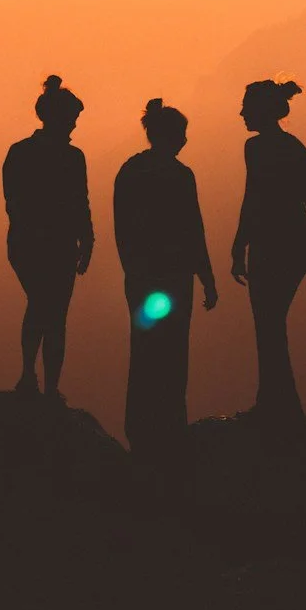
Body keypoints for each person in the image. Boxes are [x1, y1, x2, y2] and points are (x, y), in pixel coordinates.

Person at [113, 98, 217, 458]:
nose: (186, 140)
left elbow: (122, 230)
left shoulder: (130, 171)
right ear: (170, 135)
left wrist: (132, 271)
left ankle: (141, 426)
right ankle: (171, 423)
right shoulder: (180, 175)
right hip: (174, 278)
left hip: (143, 278)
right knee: (174, 351)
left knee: (144, 350)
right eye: (183, 133)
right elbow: (194, 229)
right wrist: (207, 276)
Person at [231, 78, 306, 427]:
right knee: (269, 323)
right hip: (281, 242)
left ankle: (278, 405)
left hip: (281, 244)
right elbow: (260, 198)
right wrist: (239, 244)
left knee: (269, 321)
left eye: (246, 106)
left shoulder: (270, 150)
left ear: (261, 110)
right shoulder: (286, 149)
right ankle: (277, 402)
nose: (242, 112)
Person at [2, 74, 93, 402]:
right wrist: (84, 238)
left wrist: (88, 239)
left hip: (42, 245)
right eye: (72, 119)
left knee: (47, 309)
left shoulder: (25, 153)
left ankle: (37, 380)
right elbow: (18, 203)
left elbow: (79, 202)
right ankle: (39, 381)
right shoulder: (61, 157)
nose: (74, 126)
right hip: (42, 245)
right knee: (49, 309)